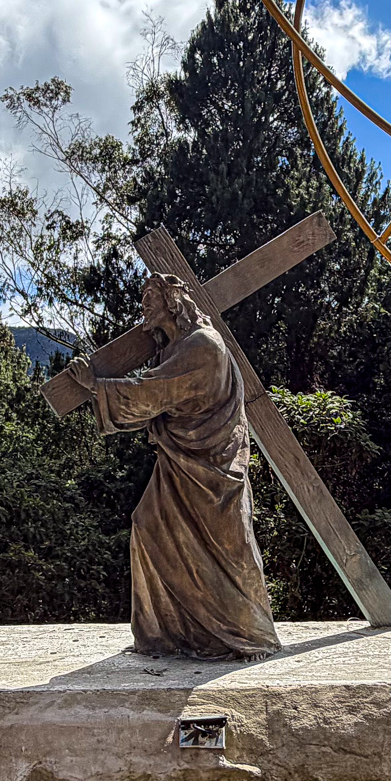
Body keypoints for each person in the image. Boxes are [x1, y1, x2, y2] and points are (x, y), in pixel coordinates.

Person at [66, 273, 278, 660]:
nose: (144, 304)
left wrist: (97, 386)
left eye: (151, 295)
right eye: (143, 296)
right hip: (179, 462)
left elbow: (153, 392)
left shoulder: (203, 345)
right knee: (147, 525)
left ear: (174, 300)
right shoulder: (172, 350)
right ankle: (166, 633)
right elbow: (157, 400)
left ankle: (249, 635)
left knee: (227, 549)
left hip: (213, 468)